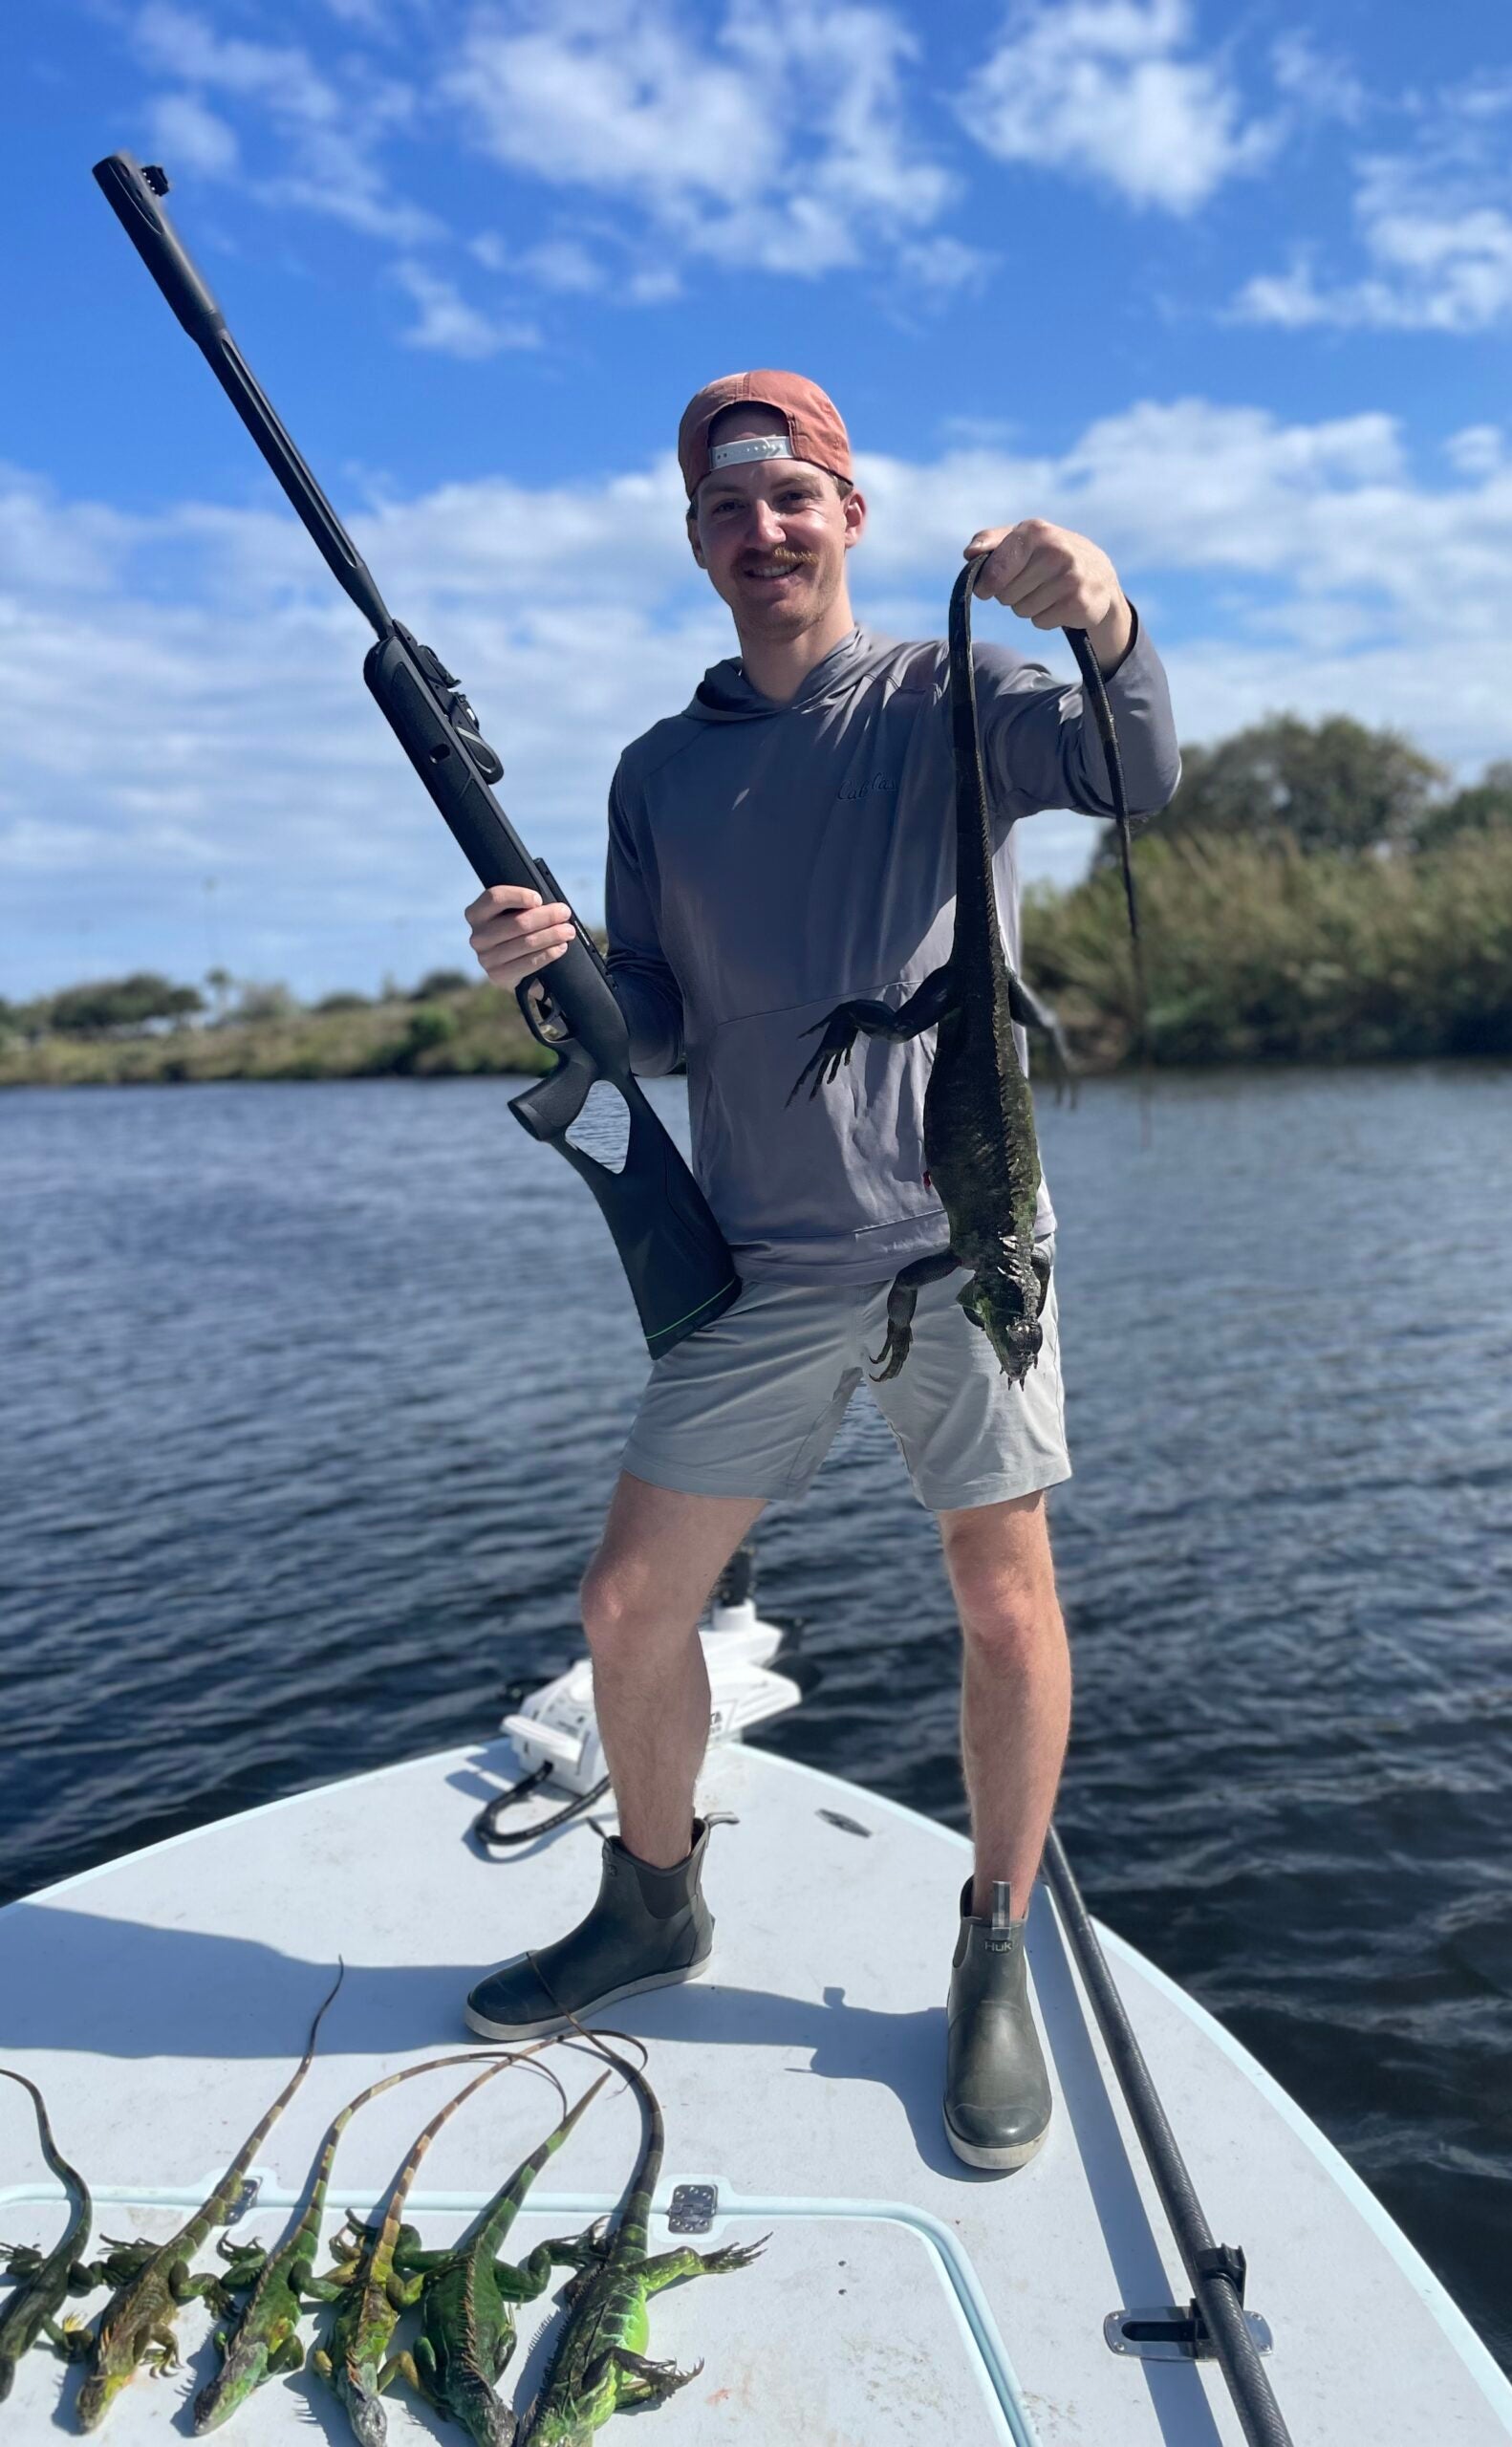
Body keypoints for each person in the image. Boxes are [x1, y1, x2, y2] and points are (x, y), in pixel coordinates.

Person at [461, 372, 1178, 2172]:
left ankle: (993, 1944)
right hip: (765, 1258)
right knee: (632, 1605)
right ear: (697, 542)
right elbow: (666, 1020)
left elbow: (1135, 771)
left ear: (851, 515)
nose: (762, 531)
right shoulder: (662, 771)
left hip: (965, 1242)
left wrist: (1099, 609)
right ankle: (653, 1898)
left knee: (1003, 1603)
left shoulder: (964, 697)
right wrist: (550, 969)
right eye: (726, 509)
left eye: (795, 499)